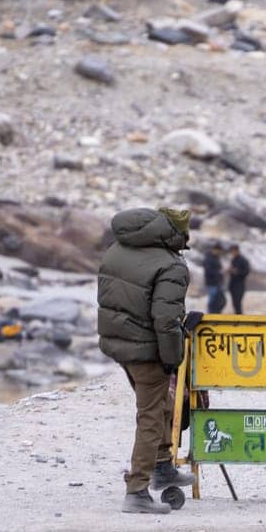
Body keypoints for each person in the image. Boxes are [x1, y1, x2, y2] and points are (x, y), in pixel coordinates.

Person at [96, 207, 195, 514]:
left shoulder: (119, 248)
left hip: (119, 345)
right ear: (175, 234)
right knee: (151, 415)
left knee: (162, 405)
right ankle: (137, 489)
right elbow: (166, 321)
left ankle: (163, 467)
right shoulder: (171, 266)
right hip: (147, 349)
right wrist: (172, 359)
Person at [202, 246, 226, 313]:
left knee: (221, 301)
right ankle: (210, 316)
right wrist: (219, 272)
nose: (220, 253)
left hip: (218, 283)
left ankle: (216, 315)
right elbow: (208, 271)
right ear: (215, 250)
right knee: (212, 302)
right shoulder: (209, 258)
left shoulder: (216, 258)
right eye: (219, 251)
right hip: (212, 283)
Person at [227, 245, 250, 314]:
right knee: (234, 303)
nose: (232, 253)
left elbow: (246, 271)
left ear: (237, 251)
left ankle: (239, 318)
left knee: (237, 302)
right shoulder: (233, 259)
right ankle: (237, 317)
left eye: (233, 251)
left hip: (239, 285)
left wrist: (236, 272)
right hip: (232, 284)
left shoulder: (243, 260)